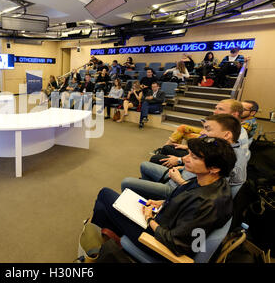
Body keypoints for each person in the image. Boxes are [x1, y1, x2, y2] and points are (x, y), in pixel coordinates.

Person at [90, 137, 235, 259]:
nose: (185, 159)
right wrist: (163, 202)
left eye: (194, 157)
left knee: (105, 195)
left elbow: (175, 244)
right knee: (113, 204)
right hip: (165, 220)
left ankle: (100, 246)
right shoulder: (213, 182)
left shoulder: (206, 203)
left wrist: (149, 219)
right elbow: (185, 203)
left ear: (214, 168)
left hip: (157, 243)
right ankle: (106, 240)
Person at [121, 114, 247, 201]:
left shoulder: (230, 160)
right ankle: (149, 196)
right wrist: (182, 165)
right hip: (182, 177)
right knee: (145, 165)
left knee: (127, 182)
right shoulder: (219, 148)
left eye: (207, 129)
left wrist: (179, 180)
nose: (202, 132)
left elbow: (204, 194)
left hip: (181, 189)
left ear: (226, 135)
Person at [155, 99, 250, 167]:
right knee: (168, 147)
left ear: (235, 114)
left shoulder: (236, 136)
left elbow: (211, 161)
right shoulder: (230, 127)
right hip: (204, 156)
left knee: (158, 157)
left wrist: (179, 161)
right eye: (216, 108)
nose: (215, 112)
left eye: (220, 109)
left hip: (206, 163)